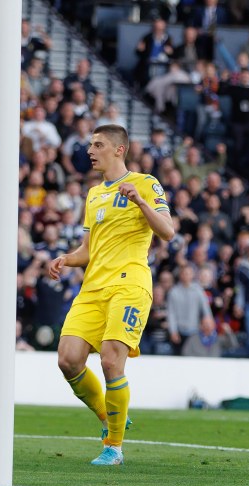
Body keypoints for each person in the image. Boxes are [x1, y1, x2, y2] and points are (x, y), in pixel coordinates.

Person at [48, 124, 174, 466]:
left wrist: (141, 203)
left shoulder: (146, 183)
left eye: (98, 144)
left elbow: (168, 231)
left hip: (129, 284)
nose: (90, 150)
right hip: (93, 288)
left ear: (119, 149)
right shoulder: (93, 194)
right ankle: (109, 414)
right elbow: (87, 250)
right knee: (67, 358)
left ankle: (113, 447)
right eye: (90, 144)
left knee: (109, 360)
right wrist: (66, 259)